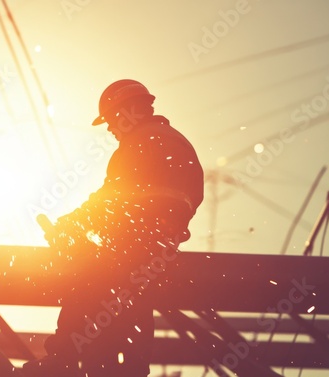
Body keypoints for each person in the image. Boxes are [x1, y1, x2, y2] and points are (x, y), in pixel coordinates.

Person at [23, 79, 204, 377]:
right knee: (131, 307)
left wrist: (70, 225)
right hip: (157, 245)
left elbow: (110, 200)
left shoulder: (140, 143)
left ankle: (63, 360)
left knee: (86, 278)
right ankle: (129, 368)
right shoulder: (174, 140)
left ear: (127, 111)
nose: (109, 129)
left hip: (134, 241)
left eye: (110, 120)